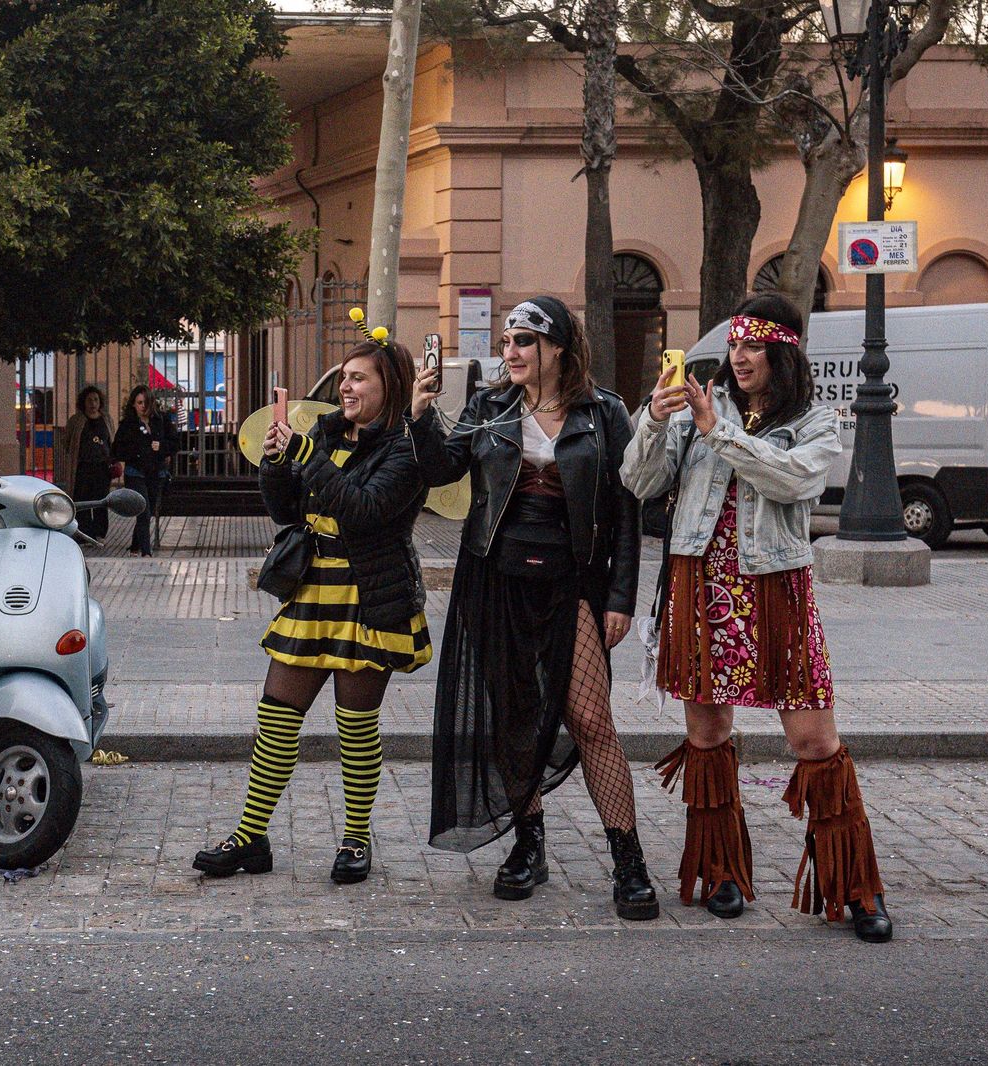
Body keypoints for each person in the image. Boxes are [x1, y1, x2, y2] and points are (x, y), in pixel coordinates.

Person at [622, 292, 891, 942]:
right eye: (735, 345)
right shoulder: (696, 413)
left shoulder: (814, 421)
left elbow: (795, 481)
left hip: (776, 595)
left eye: (752, 346)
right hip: (701, 590)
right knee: (709, 734)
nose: (739, 357)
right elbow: (638, 482)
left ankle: (854, 885)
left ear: (782, 351)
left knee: (813, 741)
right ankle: (721, 871)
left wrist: (722, 432)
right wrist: (656, 422)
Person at [411, 295, 658, 921]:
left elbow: (625, 510)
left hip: (574, 581)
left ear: (557, 349)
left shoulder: (605, 415)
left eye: (523, 341)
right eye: (507, 341)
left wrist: (620, 598)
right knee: (514, 717)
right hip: (495, 578)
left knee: (592, 719)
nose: (510, 351)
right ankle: (529, 842)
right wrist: (419, 417)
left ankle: (627, 859)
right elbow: (441, 468)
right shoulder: (490, 407)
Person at [194, 335, 430, 885]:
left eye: (358, 378)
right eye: (343, 377)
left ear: (388, 386)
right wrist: (278, 462)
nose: (344, 387)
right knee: (276, 716)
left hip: (369, 598)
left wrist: (307, 458)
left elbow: (364, 510)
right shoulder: (325, 435)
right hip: (313, 592)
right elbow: (285, 510)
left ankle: (354, 839)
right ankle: (252, 837)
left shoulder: (405, 449)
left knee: (355, 727)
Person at [112, 385, 178, 556]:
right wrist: (137, 451)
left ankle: (135, 546)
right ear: (133, 405)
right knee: (143, 510)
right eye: (139, 403)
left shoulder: (161, 420)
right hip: (136, 473)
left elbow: (175, 443)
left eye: (146, 403)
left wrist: (161, 446)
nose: (143, 407)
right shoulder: (128, 425)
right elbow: (118, 449)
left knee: (147, 513)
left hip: (156, 473)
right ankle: (146, 552)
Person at [56, 386, 115, 539]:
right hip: (83, 467)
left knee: (101, 501)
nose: (93, 403)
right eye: (89, 400)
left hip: (102, 467)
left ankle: (100, 532)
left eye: (95, 399)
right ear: (83, 402)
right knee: (82, 500)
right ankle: (84, 533)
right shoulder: (76, 420)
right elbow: (67, 441)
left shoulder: (106, 419)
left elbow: (111, 441)